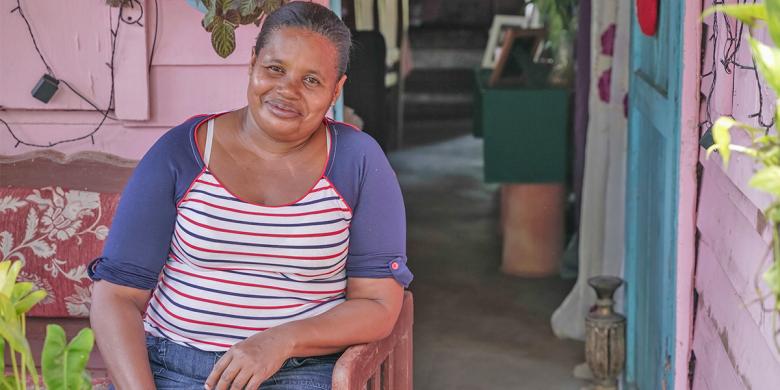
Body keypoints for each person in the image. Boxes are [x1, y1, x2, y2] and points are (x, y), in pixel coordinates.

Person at [88, 2, 412, 389]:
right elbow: (116, 297)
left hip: (299, 369)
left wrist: (280, 340)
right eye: (275, 68)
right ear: (253, 62)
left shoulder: (358, 162)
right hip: (169, 367)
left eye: (311, 80)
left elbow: (378, 304)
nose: (287, 91)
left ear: (336, 89)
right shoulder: (182, 153)